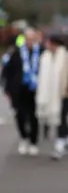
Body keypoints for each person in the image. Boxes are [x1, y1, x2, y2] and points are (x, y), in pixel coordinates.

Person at [1, 28, 42, 156]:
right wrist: (7, 88)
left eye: (32, 39)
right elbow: (7, 71)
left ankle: (33, 141)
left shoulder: (41, 52)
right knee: (20, 115)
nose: (29, 41)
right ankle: (24, 138)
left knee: (34, 116)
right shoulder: (17, 53)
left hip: (36, 89)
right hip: (19, 89)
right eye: (27, 39)